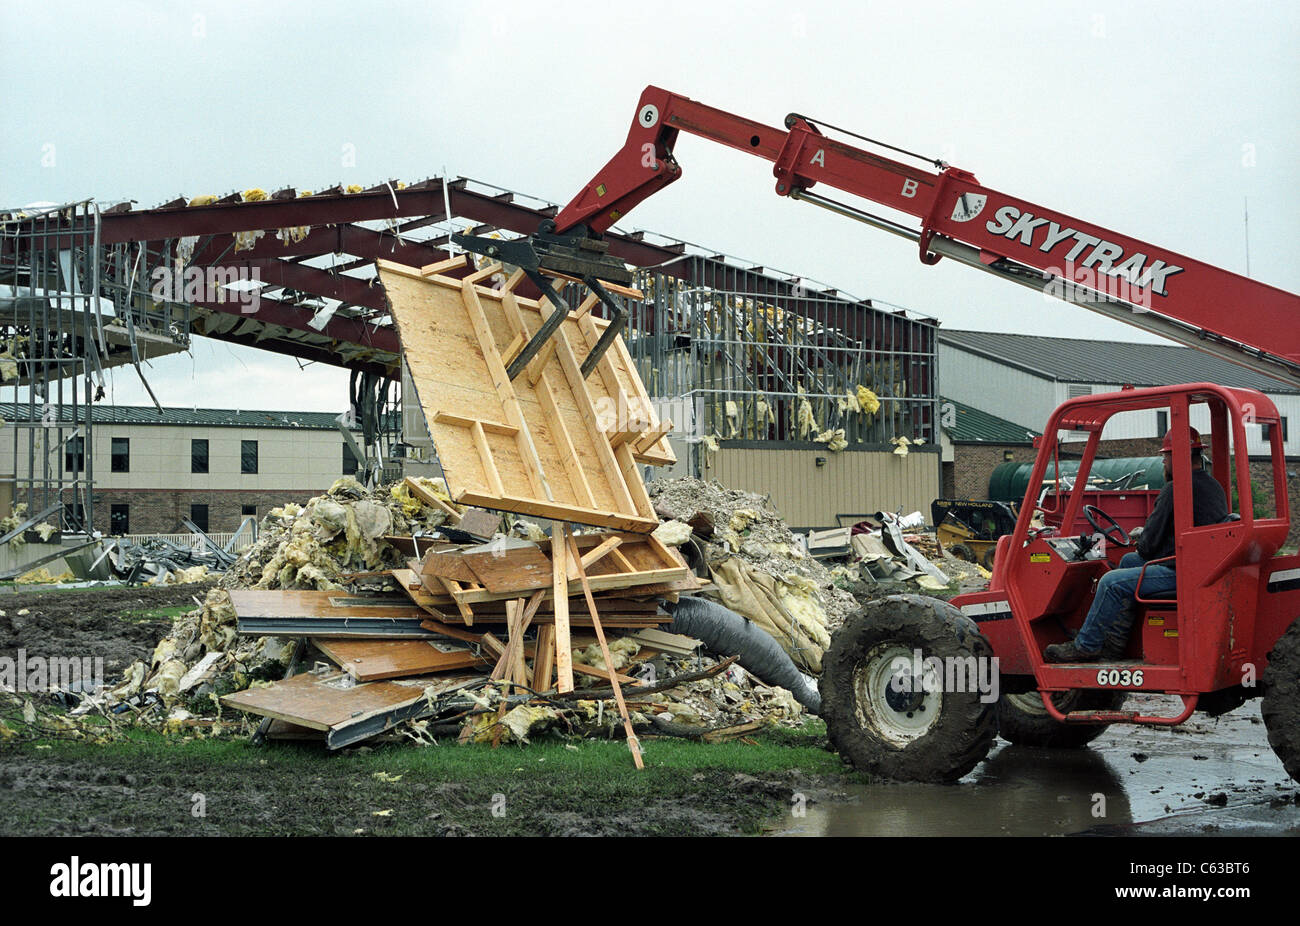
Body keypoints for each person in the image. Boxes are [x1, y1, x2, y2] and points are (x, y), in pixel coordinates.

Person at [1044, 426, 1228, 663]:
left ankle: (1086, 645)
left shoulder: (1176, 489)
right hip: (1200, 566)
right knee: (1128, 561)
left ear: (1177, 457)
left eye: (1165, 458)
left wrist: (1142, 535)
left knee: (1110, 583)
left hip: (1183, 572)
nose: (1164, 463)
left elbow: (1148, 547)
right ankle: (1115, 641)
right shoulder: (1213, 487)